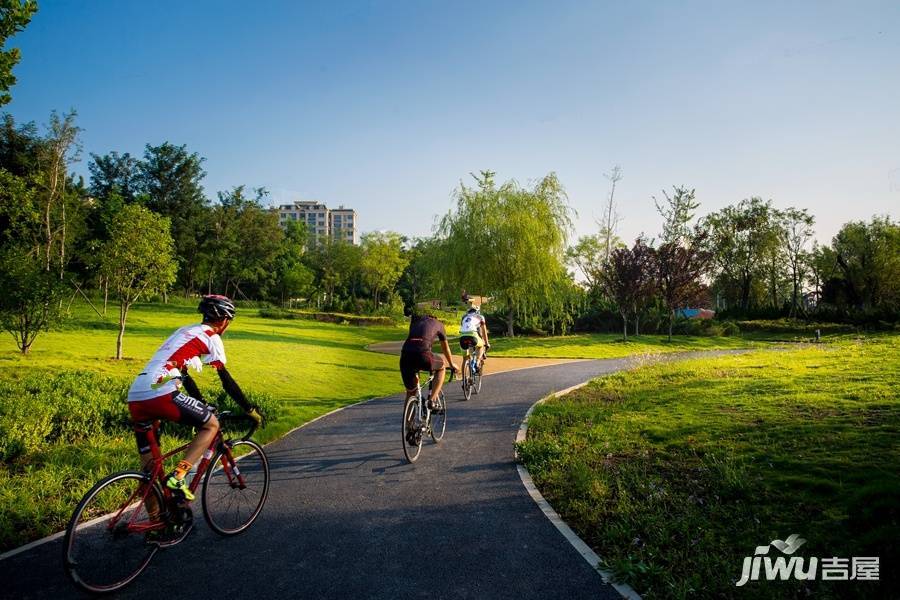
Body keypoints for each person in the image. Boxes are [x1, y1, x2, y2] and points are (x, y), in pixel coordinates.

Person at [126, 295, 261, 501]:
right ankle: (179, 476)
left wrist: (201, 402)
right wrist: (249, 409)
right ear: (224, 320)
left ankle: (157, 525)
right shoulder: (212, 336)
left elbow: (185, 374)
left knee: (149, 472)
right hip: (160, 391)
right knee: (211, 425)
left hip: (136, 394)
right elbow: (226, 380)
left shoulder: (184, 332)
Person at [399, 310, 458, 440]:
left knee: (411, 392)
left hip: (405, 355)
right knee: (441, 367)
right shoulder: (439, 324)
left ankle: (409, 426)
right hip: (424, 354)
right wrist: (452, 364)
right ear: (434, 317)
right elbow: (445, 348)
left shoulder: (415, 322)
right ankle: (432, 400)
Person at [459, 301, 490, 373]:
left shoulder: (464, 317)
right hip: (473, 335)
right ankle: (477, 362)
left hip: (462, 336)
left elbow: (463, 327)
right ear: (477, 311)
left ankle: (464, 380)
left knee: (465, 359)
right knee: (481, 345)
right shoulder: (480, 317)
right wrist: (487, 343)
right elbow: (484, 331)